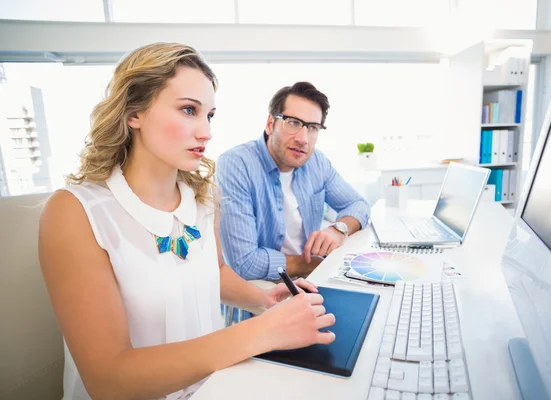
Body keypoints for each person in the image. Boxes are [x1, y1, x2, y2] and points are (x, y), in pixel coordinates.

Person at [38, 43, 335, 400]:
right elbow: (108, 380)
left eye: (209, 115)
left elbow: (214, 270)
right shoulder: (74, 212)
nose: (205, 132)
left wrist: (264, 300)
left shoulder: (201, 198)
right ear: (134, 112)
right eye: (189, 110)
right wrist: (264, 332)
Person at [216, 82, 370, 281]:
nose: (303, 138)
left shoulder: (317, 162)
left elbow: (359, 204)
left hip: (310, 280)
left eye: (313, 127)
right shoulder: (236, 164)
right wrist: (311, 263)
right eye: (294, 123)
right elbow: (245, 263)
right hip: (260, 290)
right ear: (270, 124)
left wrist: (338, 229)